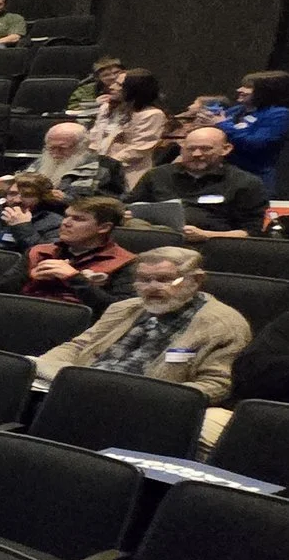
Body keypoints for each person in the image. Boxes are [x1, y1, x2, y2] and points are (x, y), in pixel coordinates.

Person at [33, 247, 249, 403]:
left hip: (144, 403)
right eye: (144, 280)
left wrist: (144, 399)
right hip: (84, 388)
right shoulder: (124, 308)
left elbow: (216, 385)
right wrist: (38, 368)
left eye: (164, 280)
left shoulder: (222, 324)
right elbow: (78, 346)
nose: (152, 288)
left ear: (196, 280)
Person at [127, 125, 267, 241]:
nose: (196, 154)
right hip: (155, 240)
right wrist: (126, 214)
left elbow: (251, 232)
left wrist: (206, 235)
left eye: (205, 149)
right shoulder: (157, 175)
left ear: (226, 149)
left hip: (211, 246)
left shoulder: (245, 183)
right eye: (190, 149)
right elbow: (129, 206)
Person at [23, 196, 135, 311]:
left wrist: (75, 279)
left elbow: (120, 311)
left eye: (78, 219)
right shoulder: (39, 251)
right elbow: (4, 290)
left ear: (104, 227)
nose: (65, 223)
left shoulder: (125, 262)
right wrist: (30, 277)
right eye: (66, 216)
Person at [210, 70, 289, 191]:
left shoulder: (278, 114)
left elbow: (256, 143)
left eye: (248, 87)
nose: (239, 90)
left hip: (254, 177)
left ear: (265, 92)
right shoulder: (236, 111)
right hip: (222, 174)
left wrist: (224, 125)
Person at [88, 71, 169, 188]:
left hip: (127, 173)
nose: (112, 87)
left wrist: (108, 164)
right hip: (97, 168)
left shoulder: (151, 114)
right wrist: (93, 160)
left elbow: (139, 148)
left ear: (135, 89)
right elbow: (95, 135)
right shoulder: (106, 108)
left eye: (119, 85)